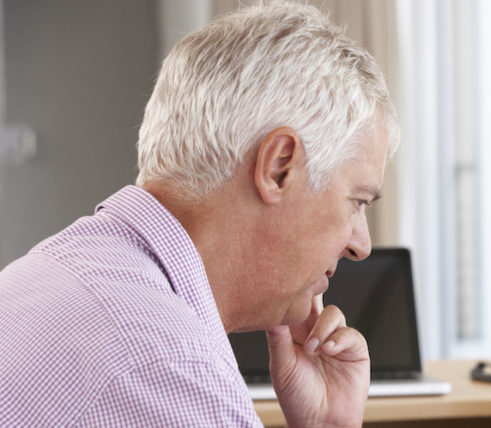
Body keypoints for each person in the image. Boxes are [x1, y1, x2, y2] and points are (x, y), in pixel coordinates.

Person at [0, 2, 397, 426]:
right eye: (357, 202)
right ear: (279, 168)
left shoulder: (47, 272)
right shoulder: (166, 365)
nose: (361, 245)